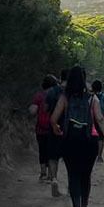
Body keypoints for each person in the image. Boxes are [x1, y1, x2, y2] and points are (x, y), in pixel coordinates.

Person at [51, 66, 104, 207]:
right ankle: (84, 206)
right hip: (89, 141)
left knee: (73, 175)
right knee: (86, 175)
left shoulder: (65, 97)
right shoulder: (93, 99)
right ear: (85, 80)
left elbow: (53, 118)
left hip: (70, 140)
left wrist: (56, 128)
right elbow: (100, 120)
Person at [41, 70, 69, 198]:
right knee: (69, 158)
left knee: (53, 157)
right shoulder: (72, 92)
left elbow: (45, 108)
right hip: (68, 129)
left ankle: (54, 179)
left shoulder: (52, 91)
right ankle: (70, 186)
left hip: (53, 127)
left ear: (60, 77)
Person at [28, 74, 59, 183]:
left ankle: (43, 174)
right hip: (53, 128)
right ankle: (52, 175)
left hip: (40, 128)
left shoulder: (39, 96)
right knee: (52, 151)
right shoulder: (56, 95)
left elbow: (32, 111)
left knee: (42, 150)